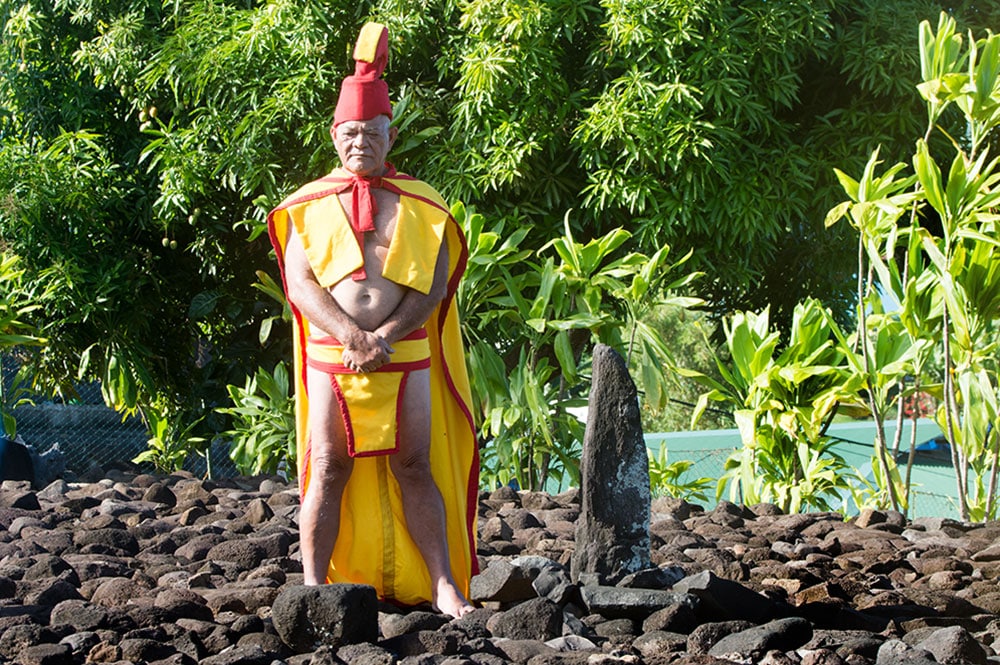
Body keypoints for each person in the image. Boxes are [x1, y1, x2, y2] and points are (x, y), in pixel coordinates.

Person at [266, 22, 479, 618]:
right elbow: (301, 285)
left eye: (372, 132)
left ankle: (442, 585)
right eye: (351, 132)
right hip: (334, 355)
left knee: (415, 466)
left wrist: (383, 335)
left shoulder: (421, 201)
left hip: (403, 351)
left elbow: (434, 284)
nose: (361, 142)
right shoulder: (307, 204)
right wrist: (351, 334)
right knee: (327, 468)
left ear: (389, 135)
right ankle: (312, 588)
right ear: (336, 136)